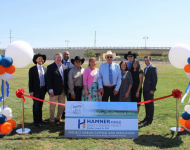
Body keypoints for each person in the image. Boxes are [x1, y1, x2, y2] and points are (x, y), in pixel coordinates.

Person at [46, 53, 67, 126]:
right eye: (57, 57)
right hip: (54, 91)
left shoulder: (64, 67)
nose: (59, 59)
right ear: (54, 58)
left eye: (60, 57)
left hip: (63, 91)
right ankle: (51, 119)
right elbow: (48, 80)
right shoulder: (50, 67)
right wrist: (50, 89)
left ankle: (58, 117)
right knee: (53, 106)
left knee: (61, 106)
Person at [29, 53, 47, 128]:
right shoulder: (32, 69)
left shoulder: (44, 68)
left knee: (40, 105)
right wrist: (31, 91)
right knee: (36, 106)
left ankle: (40, 119)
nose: (41, 60)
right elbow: (30, 81)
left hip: (43, 89)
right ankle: (36, 122)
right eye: (39, 58)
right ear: (36, 60)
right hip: (36, 90)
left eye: (42, 58)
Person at [139, 56, 158, 126]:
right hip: (145, 89)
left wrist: (153, 89)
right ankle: (146, 117)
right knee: (146, 104)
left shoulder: (153, 68)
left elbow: (155, 79)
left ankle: (150, 119)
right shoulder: (145, 68)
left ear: (150, 60)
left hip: (150, 90)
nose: (146, 62)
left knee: (150, 105)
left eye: (147, 60)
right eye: (145, 60)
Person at [62, 51, 74, 118]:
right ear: (63, 55)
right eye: (65, 54)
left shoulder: (72, 63)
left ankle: (69, 113)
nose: (66, 55)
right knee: (62, 100)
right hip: (62, 84)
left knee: (70, 99)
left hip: (70, 84)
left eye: (67, 54)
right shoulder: (60, 62)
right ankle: (62, 113)